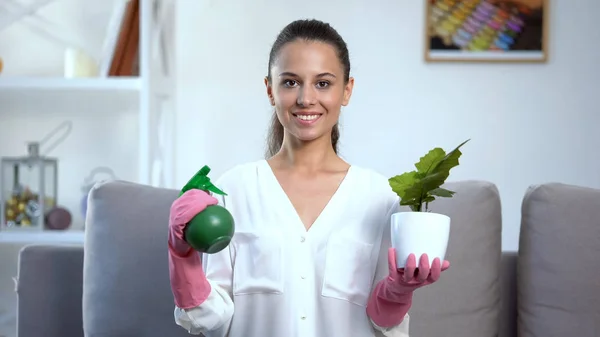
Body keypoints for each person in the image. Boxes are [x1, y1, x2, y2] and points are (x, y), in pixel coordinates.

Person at [167, 19, 450, 337]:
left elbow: (384, 325)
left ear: (347, 90)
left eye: (323, 83)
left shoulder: (379, 198)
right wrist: (182, 255)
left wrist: (398, 293)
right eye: (290, 82)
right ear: (269, 90)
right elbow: (210, 320)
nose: (305, 98)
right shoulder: (234, 189)